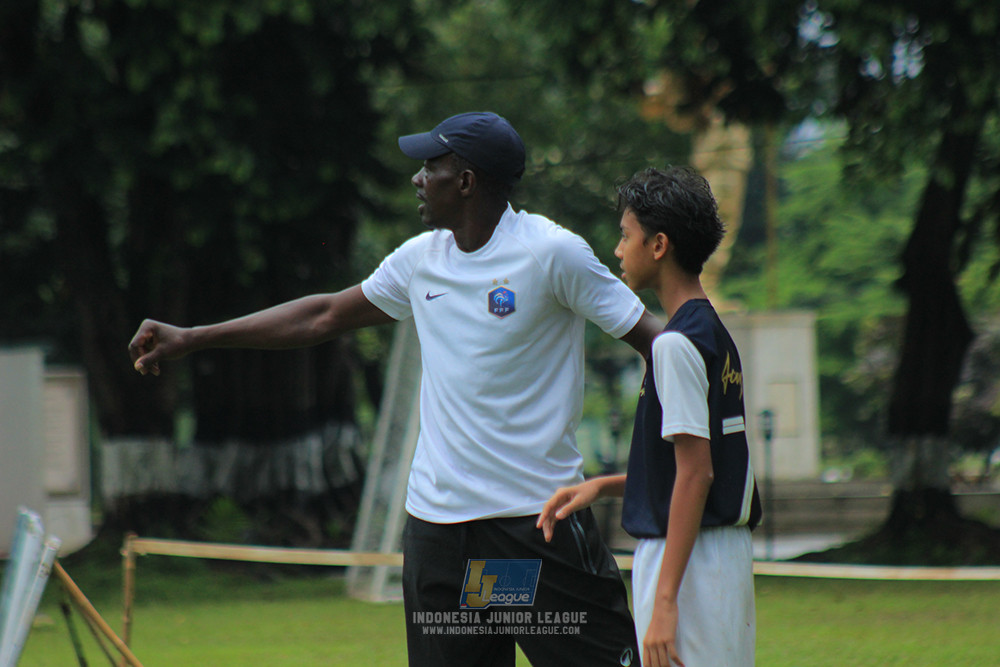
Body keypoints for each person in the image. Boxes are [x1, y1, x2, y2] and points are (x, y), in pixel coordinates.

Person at [129, 111, 662, 667]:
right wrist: (193, 337)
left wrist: (675, 455)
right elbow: (323, 316)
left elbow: (661, 344)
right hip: (442, 536)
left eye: (431, 165)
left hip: (527, 531)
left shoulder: (552, 253)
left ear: (466, 181)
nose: (417, 178)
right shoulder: (421, 260)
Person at [537, 166, 763, 667]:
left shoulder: (676, 345)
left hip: (689, 566)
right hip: (716, 557)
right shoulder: (713, 334)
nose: (618, 249)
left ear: (658, 245)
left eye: (626, 235)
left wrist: (664, 604)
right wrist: (603, 486)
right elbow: (699, 463)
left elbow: (697, 473)